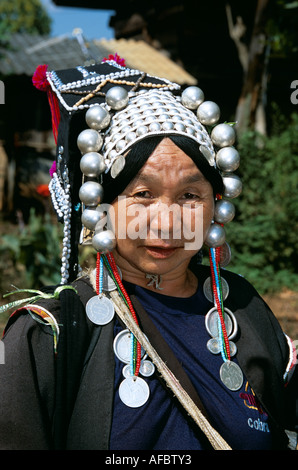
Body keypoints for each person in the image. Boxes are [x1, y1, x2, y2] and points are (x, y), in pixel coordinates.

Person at [0, 58, 297, 451]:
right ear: (103, 205)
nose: (167, 222)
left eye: (190, 196)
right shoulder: (50, 335)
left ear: (216, 206)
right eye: (143, 194)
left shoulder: (244, 309)